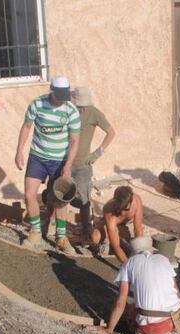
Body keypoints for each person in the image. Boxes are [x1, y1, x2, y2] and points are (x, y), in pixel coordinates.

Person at [14, 76, 81, 252]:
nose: (62, 100)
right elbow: (26, 127)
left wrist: (68, 165)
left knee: (60, 199)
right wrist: (19, 150)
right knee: (29, 194)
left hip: (59, 160)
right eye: (59, 96)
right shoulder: (37, 104)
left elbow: (75, 140)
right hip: (37, 156)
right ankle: (35, 231)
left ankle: (61, 237)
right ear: (52, 90)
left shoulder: (71, 110)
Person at [91, 236, 180, 334]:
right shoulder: (163, 259)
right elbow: (177, 292)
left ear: (133, 253)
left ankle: (153, 332)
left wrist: (109, 329)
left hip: (149, 327)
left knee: (129, 308)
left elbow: (120, 302)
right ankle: (166, 333)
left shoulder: (128, 263)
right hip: (174, 320)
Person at [70, 86, 116, 239]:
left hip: (83, 165)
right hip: (65, 162)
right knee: (60, 195)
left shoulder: (94, 113)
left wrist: (98, 153)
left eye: (84, 106)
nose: (81, 109)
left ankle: (86, 228)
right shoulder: (68, 111)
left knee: (84, 199)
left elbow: (111, 132)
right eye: (79, 106)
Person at [91, 185, 144, 263]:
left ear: (131, 201)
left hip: (124, 226)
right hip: (110, 225)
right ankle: (105, 243)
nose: (122, 213)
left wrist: (140, 256)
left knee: (139, 243)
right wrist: (128, 265)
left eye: (125, 209)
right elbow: (116, 246)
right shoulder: (109, 210)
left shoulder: (136, 201)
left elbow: (138, 228)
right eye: (119, 209)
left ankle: (121, 239)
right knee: (96, 237)